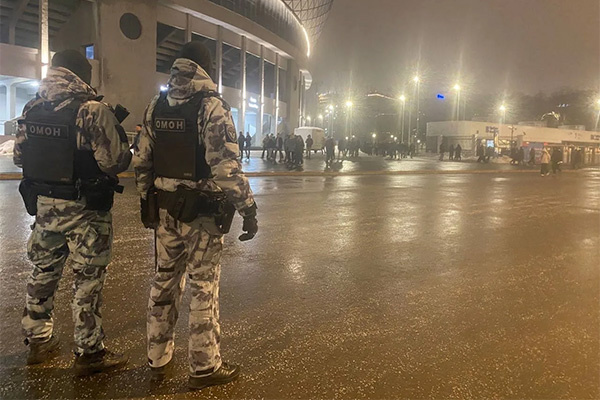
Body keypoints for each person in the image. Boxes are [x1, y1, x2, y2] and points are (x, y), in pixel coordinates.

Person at [134, 41, 258, 390]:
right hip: (201, 215)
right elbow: (225, 167)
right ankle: (204, 366)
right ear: (205, 69)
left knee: (164, 279)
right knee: (203, 285)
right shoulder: (211, 106)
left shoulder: (156, 106)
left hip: (164, 210)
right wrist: (248, 208)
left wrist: (146, 199)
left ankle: (158, 358)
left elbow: (142, 161)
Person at [13, 50, 131, 374]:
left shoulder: (32, 108)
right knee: (87, 280)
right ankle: (89, 353)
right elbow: (114, 162)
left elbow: (20, 157)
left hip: (45, 208)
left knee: (43, 273)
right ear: (82, 74)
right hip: (85, 211)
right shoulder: (91, 110)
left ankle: (38, 341)